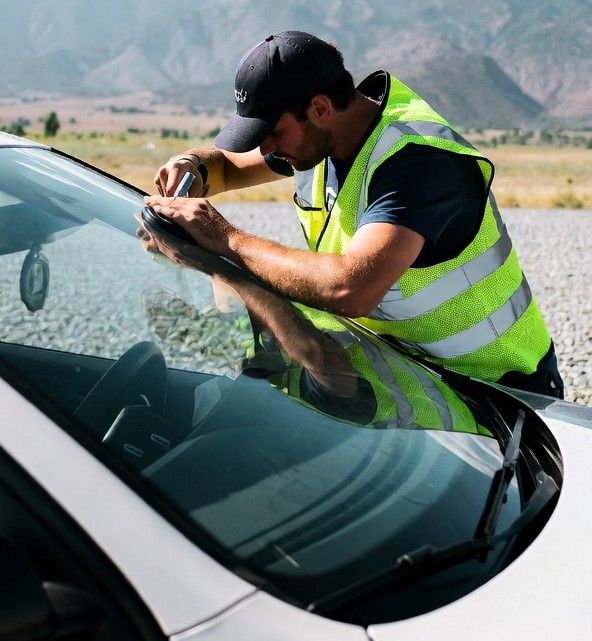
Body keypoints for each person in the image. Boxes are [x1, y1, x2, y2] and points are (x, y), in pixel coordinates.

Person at [143, 30, 563, 398]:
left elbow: (351, 289)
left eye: (273, 132)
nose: (267, 149)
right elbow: (226, 166)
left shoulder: (417, 162)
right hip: (424, 381)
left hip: (505, 392)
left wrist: (226, 239)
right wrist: (193, 165)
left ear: (322, 109)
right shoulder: (316, 141)